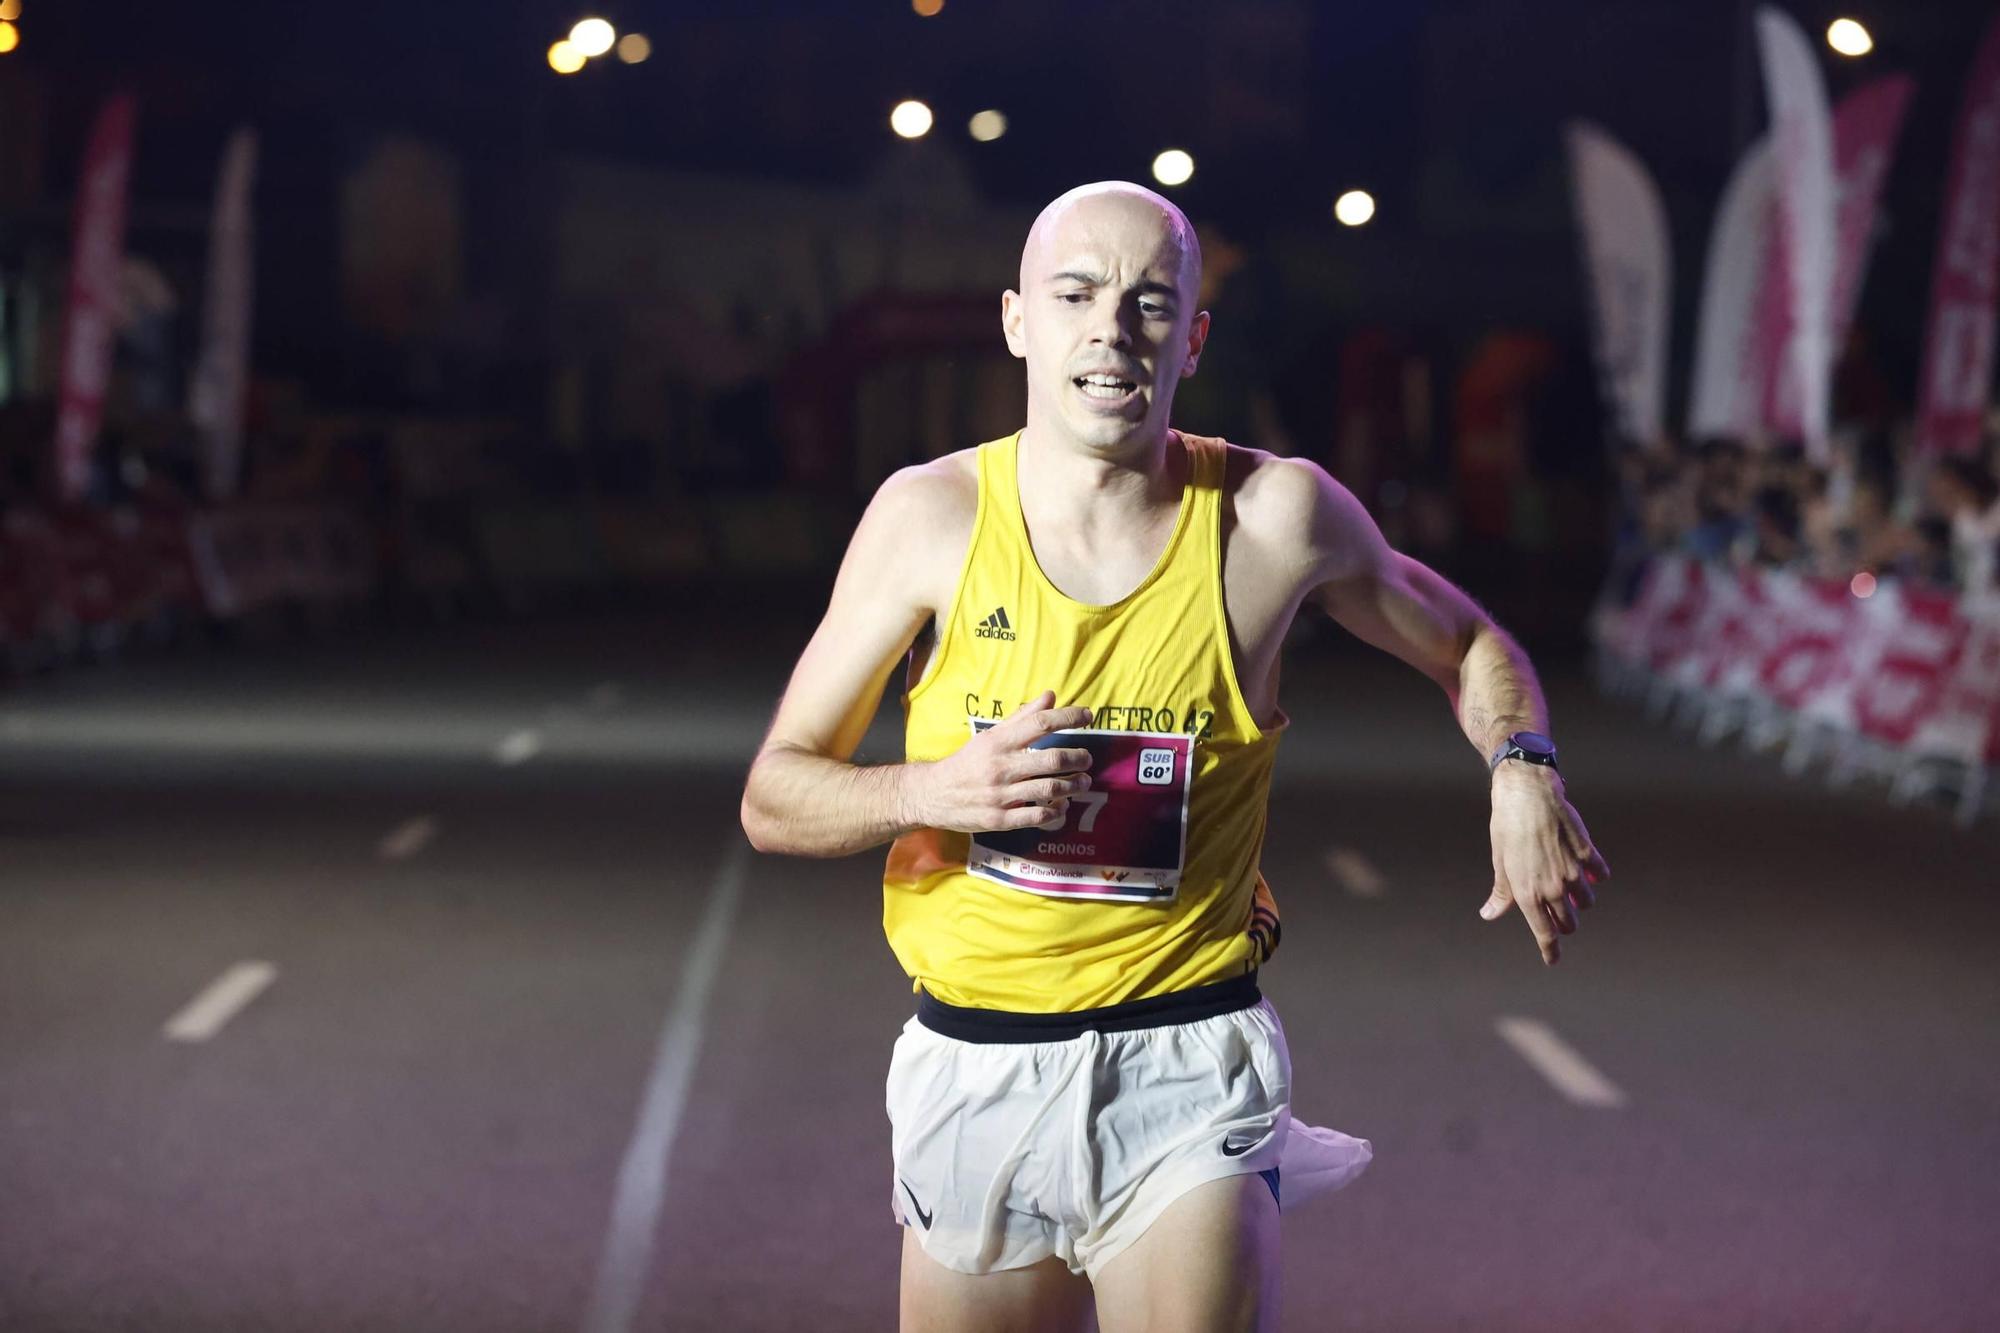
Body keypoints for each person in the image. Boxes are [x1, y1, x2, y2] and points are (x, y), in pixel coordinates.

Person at [739, 181, 1610, 1333]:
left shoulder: (1272, 518)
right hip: (976, 1060)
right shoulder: (929, 518)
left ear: (1191, 337)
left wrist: (1522, 766)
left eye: (1150, 302)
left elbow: (1467, 639)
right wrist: (933, 790)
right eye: (1076, 295)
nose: (1111, 328)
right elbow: (774, 793)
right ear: (1018, 322)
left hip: (1188, 1056)